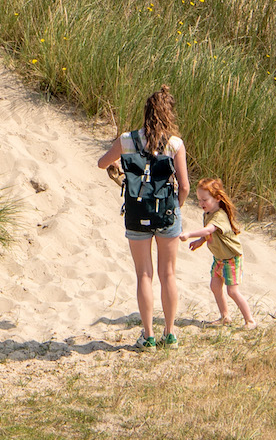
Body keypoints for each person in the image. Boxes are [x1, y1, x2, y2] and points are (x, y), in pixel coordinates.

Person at [96, 86, 187, 349]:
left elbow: (103, 162)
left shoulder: (127, 140)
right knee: (168, 274)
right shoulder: (175, 144)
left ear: (146, 113)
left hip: (137, 213)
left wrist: (116, 164)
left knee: (144, 275)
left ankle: (147, 336)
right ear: (169, 114)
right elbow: (185, 186)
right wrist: (176, 210)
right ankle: (169, 334)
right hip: (166, 213)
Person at [186, 178, 253, 326]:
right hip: (219, 259)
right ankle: (225, 317)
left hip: (232, 259)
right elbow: (210, 234)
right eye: (199, 200)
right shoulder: (208, 213)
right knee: (215, 286)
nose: (201, 203)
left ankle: (250, 320)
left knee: (232, 291)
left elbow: (210, 229)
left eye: (204, 199)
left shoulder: (219, 215)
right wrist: (200, 241)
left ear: (217, 199)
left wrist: (190, 234)